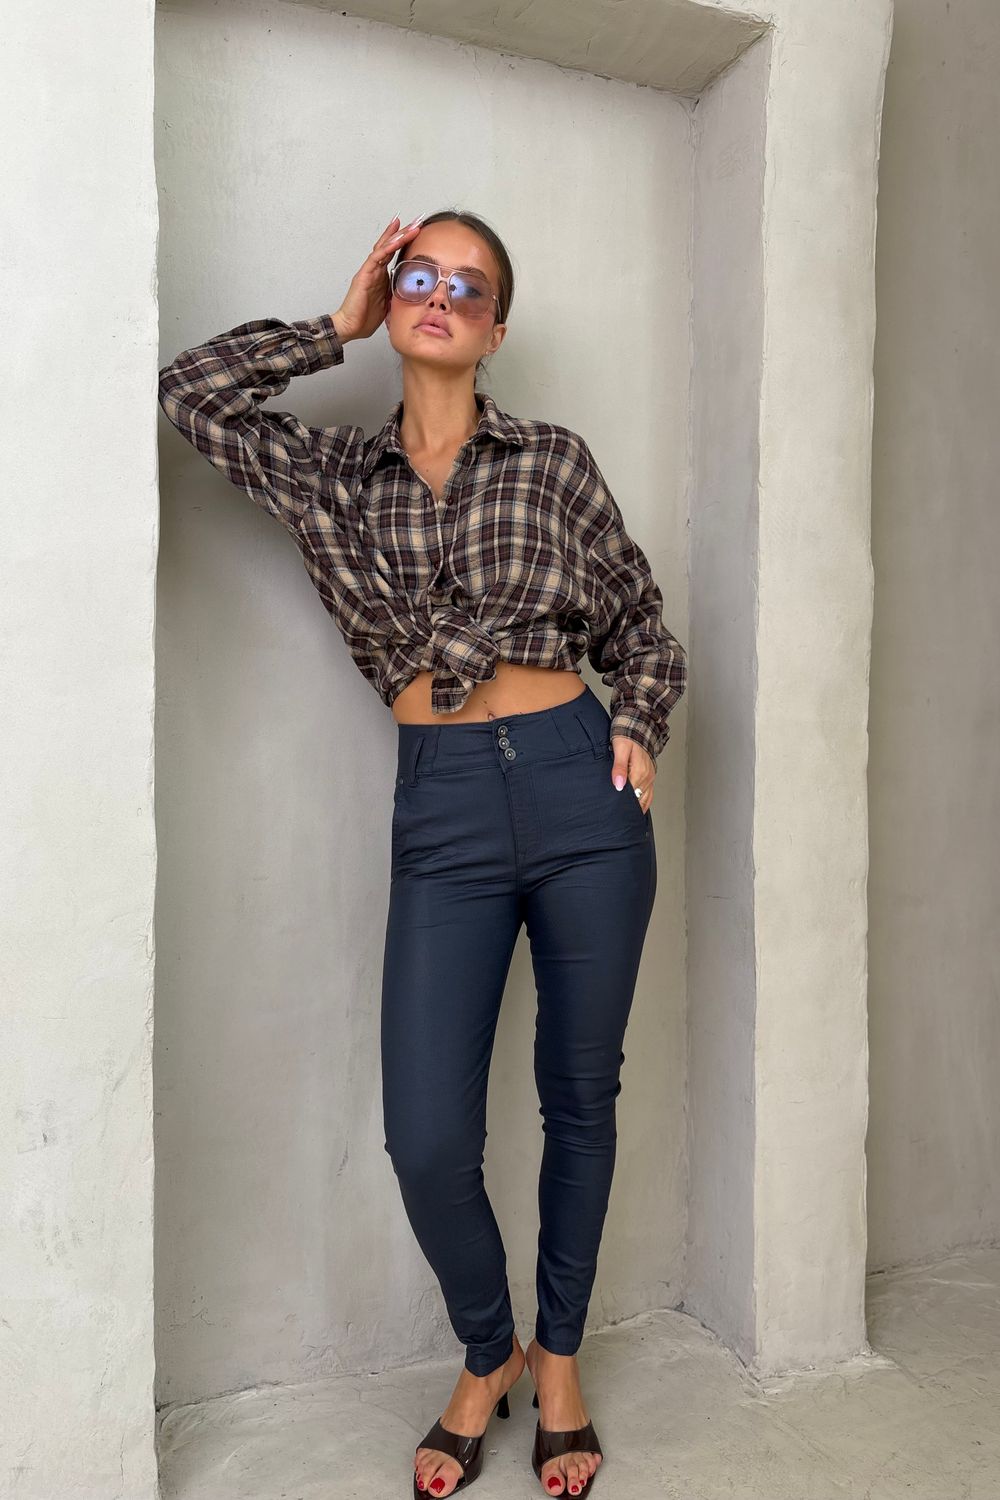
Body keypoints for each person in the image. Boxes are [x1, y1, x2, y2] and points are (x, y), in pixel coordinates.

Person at [157, 208, 688, 1499]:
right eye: (417, 274)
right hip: (443, 808)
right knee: (427, 1134)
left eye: (469, 284)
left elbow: (640, 621)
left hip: (579, 791)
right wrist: (331, 327)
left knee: (580, 1097)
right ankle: (487, 1348)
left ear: (495, 329)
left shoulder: (552, 461)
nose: (439, 294)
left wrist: (636, 720)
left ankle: (557, 1363)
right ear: (392, 297)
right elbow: (191, 395)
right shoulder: (331, 474)